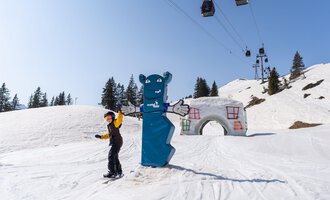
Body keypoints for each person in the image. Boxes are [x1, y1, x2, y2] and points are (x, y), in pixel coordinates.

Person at [95, 111, 123, 178]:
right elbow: (109, 135)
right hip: (116, 142)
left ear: (112, 117)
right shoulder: (110, 125)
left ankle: (112, 172)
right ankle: (119, 172)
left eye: (109, 117)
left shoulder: (115, 123)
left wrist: (120, 112)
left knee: (111, 156)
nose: (108, 119)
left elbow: (119, 120)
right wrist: (101, 137)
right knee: (115, 157)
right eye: (106, 118)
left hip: (117, 142)